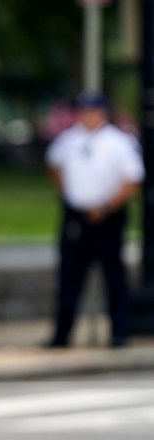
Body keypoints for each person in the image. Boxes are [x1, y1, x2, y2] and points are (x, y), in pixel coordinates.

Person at [45, 92, 145, 349]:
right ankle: (62, 334)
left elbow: (132, 179)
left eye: (93, 111)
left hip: (108, 217)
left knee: (113, 278)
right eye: (83, 110)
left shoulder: (118, 142)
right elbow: (54, 166)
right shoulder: (68, 140)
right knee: (69, 278)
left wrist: (106, 207)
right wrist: (69, 196)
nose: (87, 116)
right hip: (76, 215)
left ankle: (118, 333)